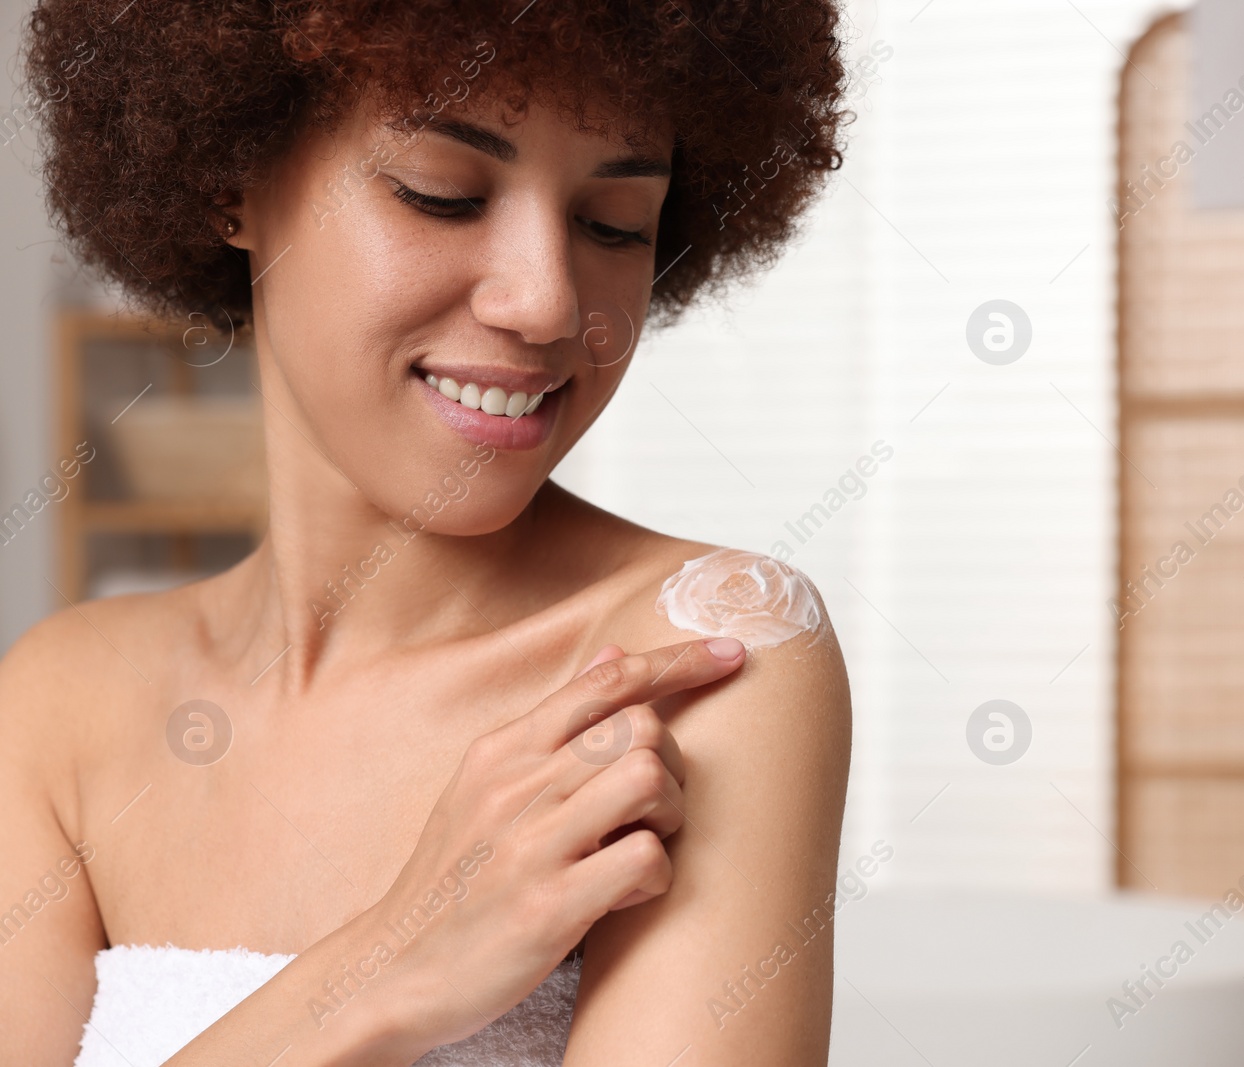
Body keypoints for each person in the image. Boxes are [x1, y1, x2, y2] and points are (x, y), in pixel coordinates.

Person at [0, 2, 853, 1064]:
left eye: (615, 223)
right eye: (441, 195)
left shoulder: (704, 659)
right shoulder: (62, 707)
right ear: (230, 177)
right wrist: (385, 972)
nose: (546, 303)